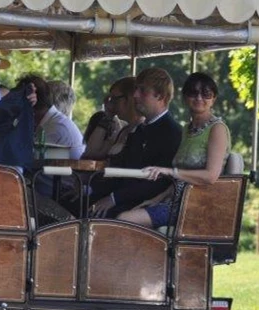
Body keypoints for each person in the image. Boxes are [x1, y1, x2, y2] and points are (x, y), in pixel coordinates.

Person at [117, 72, 230, 228]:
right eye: (193, 92)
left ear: (214, 99)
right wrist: (155, 199)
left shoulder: (217, 129)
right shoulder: (187, 129)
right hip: (176, 199)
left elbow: (210, 176)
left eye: (206, 94)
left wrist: (170, 171)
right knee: (127, 212)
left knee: (124, 218)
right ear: (184, 97)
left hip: (198, 205)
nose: (199, 98)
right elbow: (180, 180)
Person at [86, 67, 182, 219]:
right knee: (76, 204)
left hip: (141, 205)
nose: (135, 95)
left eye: (142, 91)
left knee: (91, 214)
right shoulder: (139, 131)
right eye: (136, 89)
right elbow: (123, 172)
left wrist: (114, 198)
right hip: (123, 199)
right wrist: (89, 189)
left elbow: (159, 183)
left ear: (160, 96)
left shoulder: (172, 133)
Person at [82, 76, 140, 161]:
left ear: (129, 98)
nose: (111, 103)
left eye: (115, 98)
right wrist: (108, 115)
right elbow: (90, 154)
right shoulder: (124, 131)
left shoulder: (141, 129)